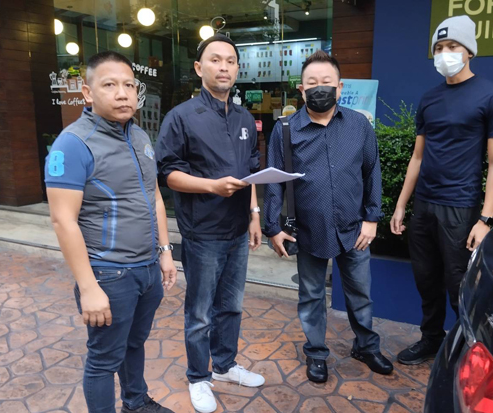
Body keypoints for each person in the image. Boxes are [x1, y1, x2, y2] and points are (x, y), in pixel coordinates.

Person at [45, 51, 177, 413]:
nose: (123, 94)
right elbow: (63, 220)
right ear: (87, 93)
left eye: (129, 85)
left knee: (134, 344)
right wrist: (88, 287)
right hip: (109, 273)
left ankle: (136, 403)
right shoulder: (73, 144)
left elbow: (154, 198)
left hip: (147, 269)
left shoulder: (139, 137)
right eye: (109, 85)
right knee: (103, 359)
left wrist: (165, 252)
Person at [264, 50, 394, 383]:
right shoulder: (286, 130)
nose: (319, 88)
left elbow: (371, 173)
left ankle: (366, 345)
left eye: (326, 82)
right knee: (310, 295)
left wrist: (372, 218)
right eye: (312, 83)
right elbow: (274, 180)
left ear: (339, 86)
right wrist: (273, 228)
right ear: (301, 90)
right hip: (308, 229)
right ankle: (317, 353)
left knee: (360, 293)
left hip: (354, 229)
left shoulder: (359, 125)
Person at [390, 15, 493, 365]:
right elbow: (417, 156)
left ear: (469, 50)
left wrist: (485, 219)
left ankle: (471, 350)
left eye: (452, 46)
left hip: (461, 207)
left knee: (460, 285)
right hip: (425, 205)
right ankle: (431, 339)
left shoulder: (491, 95)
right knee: (425, 279)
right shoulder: (429, 98)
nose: (445, 54)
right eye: (439, 48)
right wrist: (401, 206)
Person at [155, 34, 264, 413]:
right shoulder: (181, 117)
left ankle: (225, 365)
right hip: (202, 232)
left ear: (237, 69)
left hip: (237, 230)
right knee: (200, 312)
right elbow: (167, 174)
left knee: (231, 306)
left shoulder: (245, 117)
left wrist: (254, 215)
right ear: (200, 69)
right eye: (215, 60)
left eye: (230, 61)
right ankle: (198, 377)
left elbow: (252, 172)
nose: (223, 67)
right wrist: (211, 186)